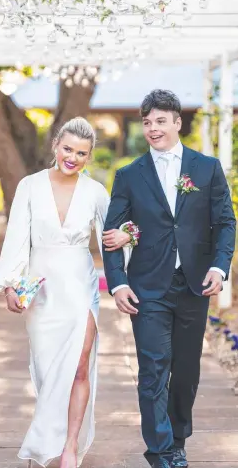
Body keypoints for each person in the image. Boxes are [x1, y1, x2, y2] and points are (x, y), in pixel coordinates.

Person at [0, 117, 131, 468]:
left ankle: (68, 447)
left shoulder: (95, 191)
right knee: (49, 371)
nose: (72, 157)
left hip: (81, 287)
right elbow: (17, 238)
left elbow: (115, 232)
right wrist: (10, 284)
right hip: (42, 290)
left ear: (89, 156)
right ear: (55, 146)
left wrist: (129, 236)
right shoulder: (29, 186)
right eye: (67, 149)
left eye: (81, 153)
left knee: (80, 366)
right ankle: (44, 440)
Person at [103, 90, 236, 468]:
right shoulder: (128, 175)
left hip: (195, 284)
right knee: (153, 367)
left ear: (178, 122)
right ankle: (160, 451)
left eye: (160, 121)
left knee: (186, 372)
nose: (152, 129)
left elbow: (225, 223)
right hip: (146, 288)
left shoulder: (207, 168)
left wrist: (218, 266)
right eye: (146, 123)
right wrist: (118, 282)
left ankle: (178, 438)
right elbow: (112, 234)